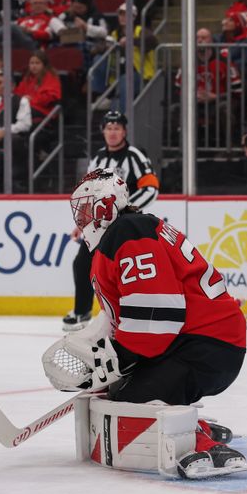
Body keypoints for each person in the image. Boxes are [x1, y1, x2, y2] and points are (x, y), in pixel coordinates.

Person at [45, 168, 247, 479]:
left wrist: (118, 358)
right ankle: (191, 423)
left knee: (133, 398)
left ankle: (201, 443)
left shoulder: (129, 233)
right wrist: (106, 351)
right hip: (195, 340)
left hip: (204, 345)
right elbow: (127, 312)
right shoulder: (125, 233)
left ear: (105, 206)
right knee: (120, 393)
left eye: (86, 208)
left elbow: (156, 314)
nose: (82, 217)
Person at [62, 111, 158, 331]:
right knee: (83, 263)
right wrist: (81, 224)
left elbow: (151, 188)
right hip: (101, 225)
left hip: (126, 224)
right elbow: (88, 194)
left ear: (124, 131)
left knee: (123, 269)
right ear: (103, 131)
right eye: (109, 128)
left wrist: (126, 210)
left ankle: (129, 314)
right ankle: (81, 312)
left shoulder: (135, 156)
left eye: (117, 128)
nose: (112, 132)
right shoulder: (98, 158)